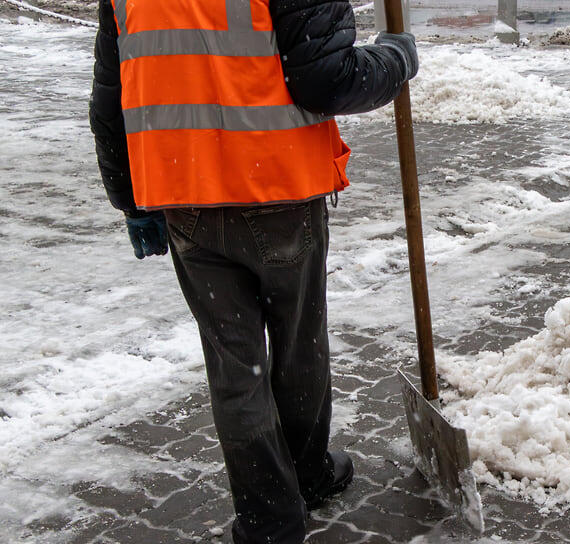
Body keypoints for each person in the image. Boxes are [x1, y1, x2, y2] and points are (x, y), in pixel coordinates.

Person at [89, 0, 418, 542]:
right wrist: (395, 59)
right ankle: (307, 476)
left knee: (234, 366)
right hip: (278, 192)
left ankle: (269, 519)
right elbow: (329, 80)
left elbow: (111, 95)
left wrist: (130, 199)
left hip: (185, 197)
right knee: (297, 343)